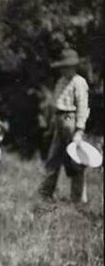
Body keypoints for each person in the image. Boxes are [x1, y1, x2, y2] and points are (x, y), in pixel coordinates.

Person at [38, 48, 90, 203]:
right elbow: (56, 105)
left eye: (67, 67)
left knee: (75, 161)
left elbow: (82, 106)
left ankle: (78, 198)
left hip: (71, 121)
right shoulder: (61, 81)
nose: (64, 70)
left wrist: (79, 130)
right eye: (62, 67)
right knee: (53, 157)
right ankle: (46, 193)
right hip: (59, 121)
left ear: (74, 66)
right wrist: (53, 125)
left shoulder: (79, 82)